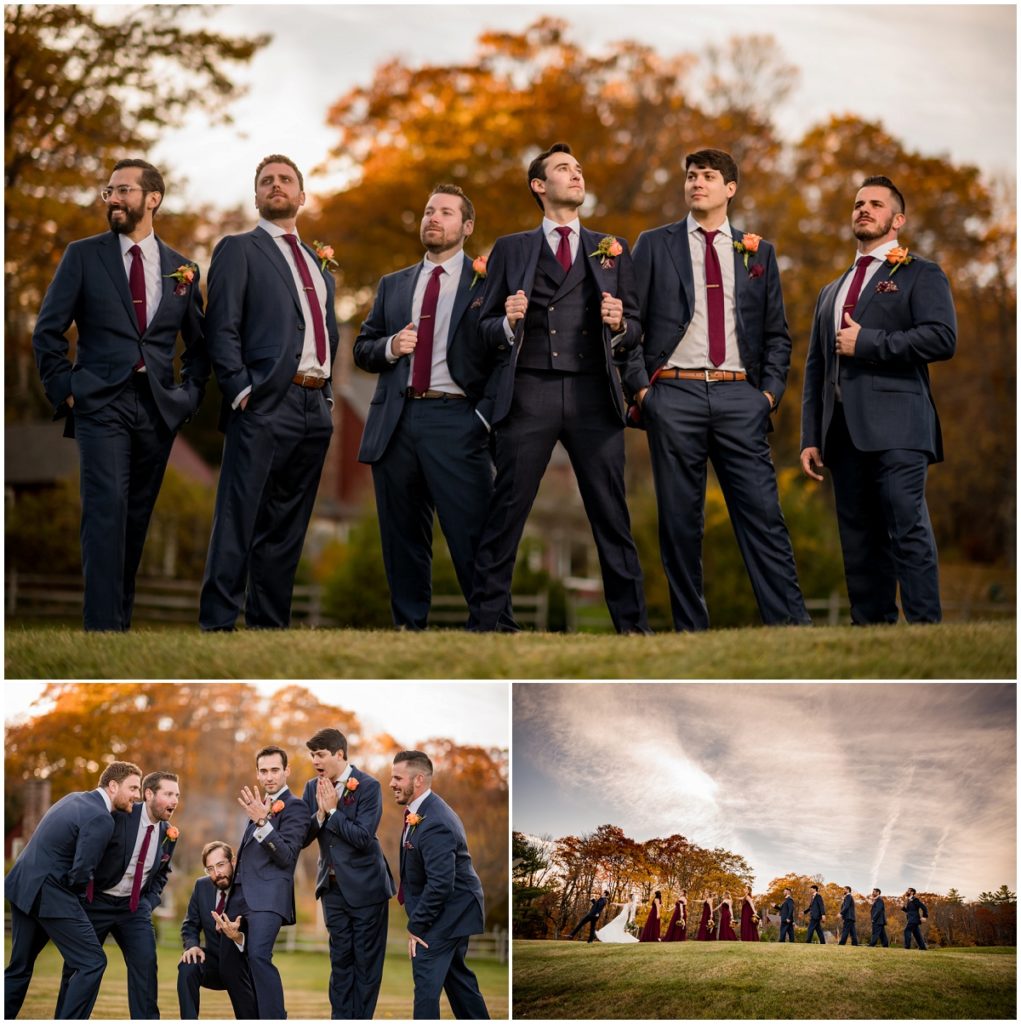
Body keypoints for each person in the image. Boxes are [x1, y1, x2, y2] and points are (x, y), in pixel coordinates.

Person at [624, 148, 809, 631]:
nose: (696, 183)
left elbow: (777, 334)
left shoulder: (757, 251)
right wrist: (643, 390)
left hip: (738, 398)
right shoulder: (653, 243)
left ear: (730, 188)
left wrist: (766, 395)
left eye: (707, 176)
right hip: (674, 396)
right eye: (690, 176)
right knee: (680, 525)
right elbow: (630, 320)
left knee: (763, 517)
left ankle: (791, 628)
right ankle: (691, 632)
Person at [468, 142, 650, 634]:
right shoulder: (512, 249)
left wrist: (620, 324)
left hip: (595, 394)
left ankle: (633, 630)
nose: (576, 174)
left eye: (579, 168)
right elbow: (480, 330)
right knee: (507, 510)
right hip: (529, 391)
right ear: (539, 185)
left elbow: (636, 330)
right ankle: (486, 626)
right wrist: (506, 322)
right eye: (564, 169)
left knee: (612, 515)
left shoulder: (613, 247)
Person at [32, 158, 207, 631]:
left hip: (157, 408)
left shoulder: (182, 270)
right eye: (109, 190)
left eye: (124, 190)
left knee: (135, 519)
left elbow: (199, 346)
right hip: (99, 402)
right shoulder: (82, 255)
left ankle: (118, 628)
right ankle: (101, 629)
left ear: (152, 199)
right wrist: (65, 390)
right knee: (105, 512)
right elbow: (47, 331)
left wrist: (187, 396)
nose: (113, 198)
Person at [800, 175, 957, 624]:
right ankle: (872, 629)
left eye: (874, 204)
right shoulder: (830, 290)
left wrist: (868, 343)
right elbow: (816, 368)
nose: (863, 209)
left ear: (897, 220)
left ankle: (927, 627)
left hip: (900, 427)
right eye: (857, 204)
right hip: (842, 433)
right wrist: (811, 435)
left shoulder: (920, 273)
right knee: (858, 537)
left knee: (906, 528)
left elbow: (942, 338)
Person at [354, 185, 507, 630]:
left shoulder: (487, 282)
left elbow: (504, 357)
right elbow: (363, 349)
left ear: (467, 226)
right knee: (402, 538)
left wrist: (483, 416)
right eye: (428, 211)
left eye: (445, 212)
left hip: (458, 420)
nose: (433, 218)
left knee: (472, 534)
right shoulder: (393, 284)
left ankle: (494, 626)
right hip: (396, 422)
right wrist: (390, 346)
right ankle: (408, 627)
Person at [199, 154, 338, 631]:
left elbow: (326, 333)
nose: (275, 186)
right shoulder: (238, 249)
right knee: (238, 518)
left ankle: (269, 627)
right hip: (262, 403)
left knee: (287, 527)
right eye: (266, 181)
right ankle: (217, 623)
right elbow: (221, 327)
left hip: (314, 408)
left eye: (285, 180)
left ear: (302, 196)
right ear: (256, 196)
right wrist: (240, 390)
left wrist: (329, 397)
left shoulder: (320, 266)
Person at [5, 761, 140, 1020]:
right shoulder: (101, 817)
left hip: (23, 887)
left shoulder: (74, 799)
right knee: (93, 962)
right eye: (133, 787)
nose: (136, 795)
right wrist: (78, 905)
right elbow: (81, 871)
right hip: (50, 893)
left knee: (19, 969)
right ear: (113, 786)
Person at [54, 771, 180, 1019]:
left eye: (177, 795)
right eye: (168, 794)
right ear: (149, 794)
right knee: (78, 968)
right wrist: (83, 893)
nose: (175, 800)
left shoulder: (169, 834)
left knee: (146, 965)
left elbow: (162, 873)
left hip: (133, 910)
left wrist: (148, 903)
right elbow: (90, 852)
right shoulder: (119, 817)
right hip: (96, 902)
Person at [301, 728, 395, 1018]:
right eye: (312, 755)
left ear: (339, 754)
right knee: (340, 961)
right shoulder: (309, 788)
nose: (315, 761)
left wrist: (332, 812)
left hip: (367, 888)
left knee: (365, 964)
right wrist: (318, 814)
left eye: (320, 754)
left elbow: (363, 837)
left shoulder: (368, 786)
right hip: (331, 889)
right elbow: (303, 838)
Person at [390, 750, 489, 1019]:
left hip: (449, 911)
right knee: (459, 983)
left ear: (418, 780)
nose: (392, 783)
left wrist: (416, 925)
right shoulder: (422, 811)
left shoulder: (435, 822)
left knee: (425, 986)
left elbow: (441, 884)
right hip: (452, 909)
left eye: (398, 777)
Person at [215, 745, 307, 1019]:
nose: (269, 776)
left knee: (258, 956)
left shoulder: (296, 807)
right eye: (264, 771)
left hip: (268, 897)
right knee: (228, 963)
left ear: (286, 771)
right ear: (257, 773)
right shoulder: (258, 805)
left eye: (275, 770)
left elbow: (287, 857)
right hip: (239, 896)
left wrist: (263, 822)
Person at [177, 841, 257, 1019]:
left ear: (233, 862)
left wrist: (238, 937)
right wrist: (192, 946)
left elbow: (261, 932)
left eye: (221, 865)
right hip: (212, 963)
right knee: (187, 965)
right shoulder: (201, 886)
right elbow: (190, 924)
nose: (217, 873)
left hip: (243, 968)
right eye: (210, 868)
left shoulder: (249, 887)